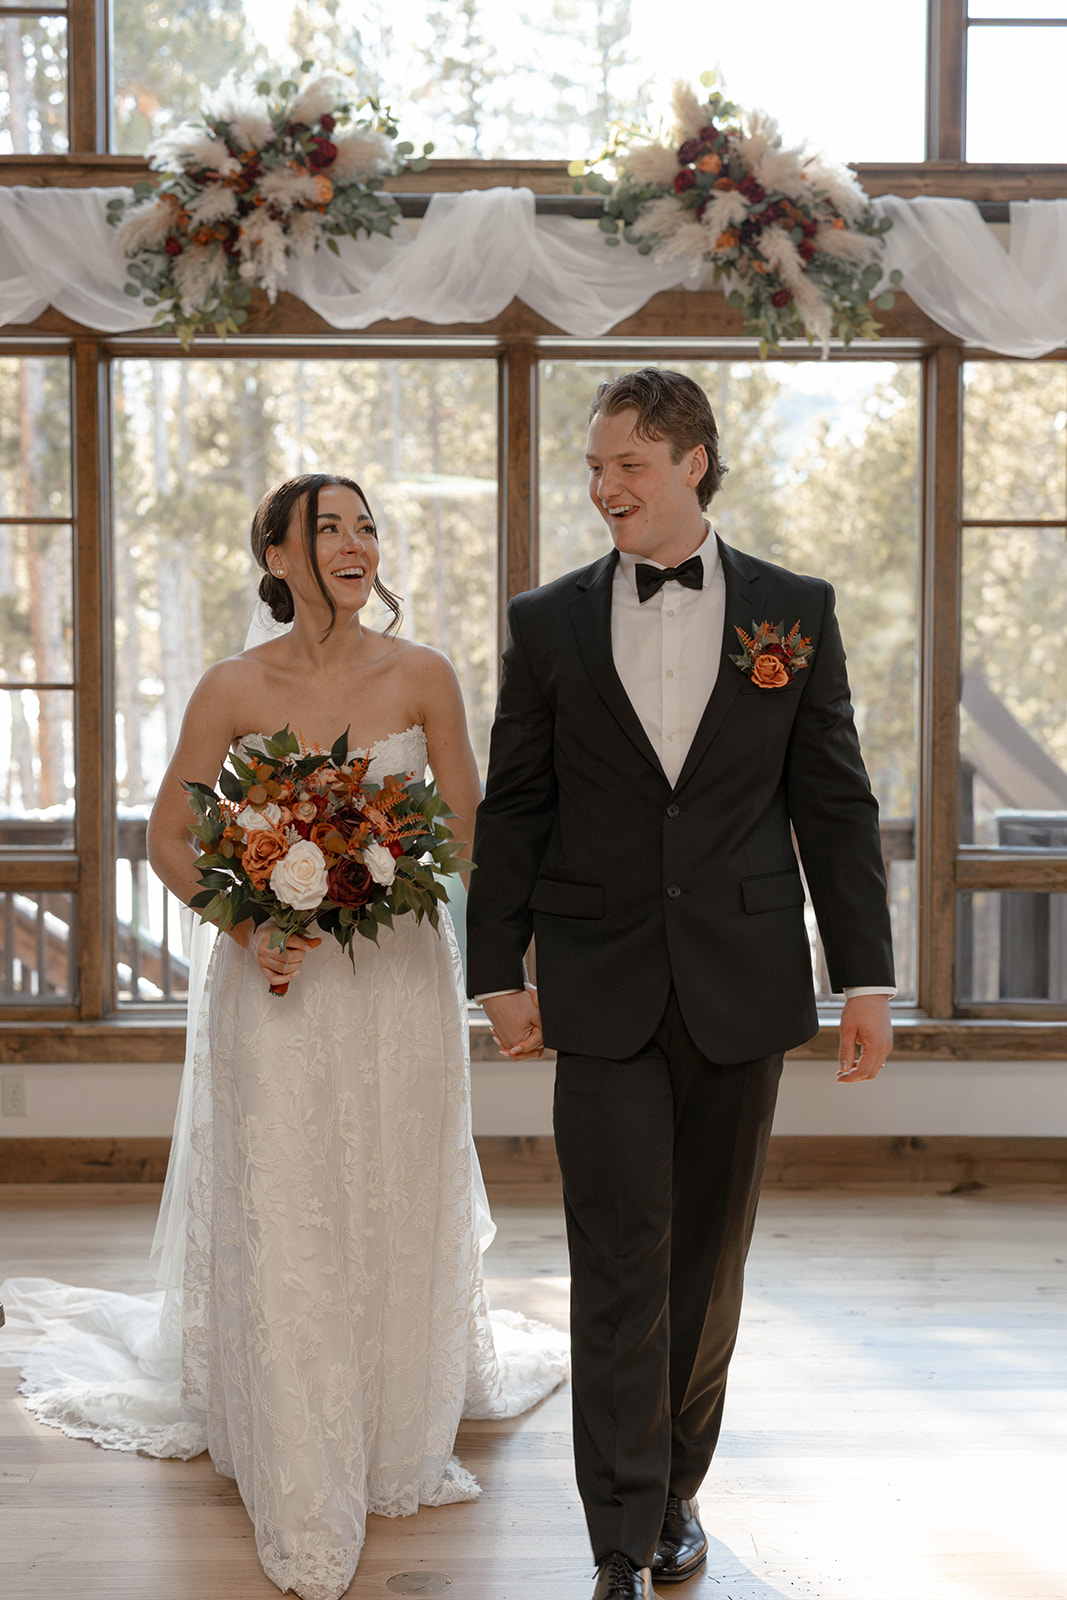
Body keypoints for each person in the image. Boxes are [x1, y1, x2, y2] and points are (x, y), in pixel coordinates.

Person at [0, 473, 566, 1600]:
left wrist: (385, 870)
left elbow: (470, 824)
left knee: (392, 1185)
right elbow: (170, 832)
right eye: (330, 527)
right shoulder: (232, 686)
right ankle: (293, 1444)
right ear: (275, 552)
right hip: (274, 982)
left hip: (397, 977)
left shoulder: (422, 676)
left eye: (367, 526)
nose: (357, 543)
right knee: (286, 1194)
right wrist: (247, 916)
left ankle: (394, 1414)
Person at [465, 371, 895, 1600]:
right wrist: (496, 971)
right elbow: (518, 803)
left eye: (627, 466)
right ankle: (615, 1526)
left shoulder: (790, 612)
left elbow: (832, 800)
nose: (603, 487)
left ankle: (675, 1494)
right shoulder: (545, 621)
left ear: (692, 463)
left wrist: (863, 977)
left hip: (741, 980)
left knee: (703, 1260)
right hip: (594, 980)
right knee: (615, 1250)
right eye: (593, 467)